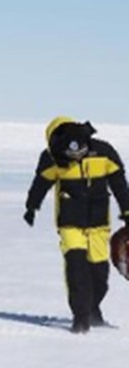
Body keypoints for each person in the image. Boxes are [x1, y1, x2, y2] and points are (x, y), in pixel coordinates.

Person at [24, 116, 129, 333]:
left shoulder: (104, 152)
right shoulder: (52, 158)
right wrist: (31, 206)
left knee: (99, 274)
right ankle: (81, 318)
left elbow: (119, 182)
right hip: (70, 223)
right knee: (76, 268)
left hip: (99, 223)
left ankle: (93, 309)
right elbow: (40, 183)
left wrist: (127, 210)